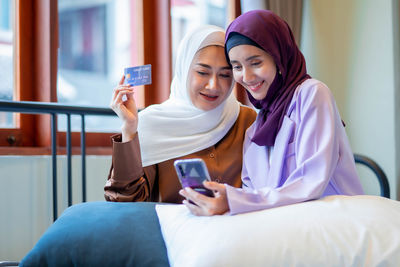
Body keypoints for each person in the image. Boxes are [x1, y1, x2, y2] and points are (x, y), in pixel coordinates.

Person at [180, 10, 364, 215]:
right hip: (287, 226)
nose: (246, 76)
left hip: (333, 222)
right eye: (237, 67)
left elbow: (310, 182)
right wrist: (226, 201)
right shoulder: (256, 128)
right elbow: (255, 192)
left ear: (279, 58)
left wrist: (235, 200)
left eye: (256, 63)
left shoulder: (312, 94)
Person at [104, 25, 256, 203]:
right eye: (202, 72)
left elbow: (263, 189)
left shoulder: (246, 120)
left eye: (225, 75)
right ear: (183, 69)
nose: (213, 86)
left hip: (235, 227)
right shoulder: (152, 123)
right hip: (173, 229)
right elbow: (126, 201)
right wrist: (129, 130)